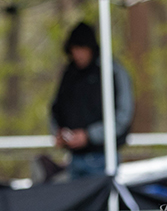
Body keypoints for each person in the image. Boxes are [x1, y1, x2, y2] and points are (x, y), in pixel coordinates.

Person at [50, 22, 134, 179]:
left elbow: (123, 115)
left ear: (91, 48)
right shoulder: (69, 74)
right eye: (74, 50)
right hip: (74, 158)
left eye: (82, 49)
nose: (78, 55)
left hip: (103, 158)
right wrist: (58, 131)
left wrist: (89, 136)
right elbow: (56, 107)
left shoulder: (113, 71)